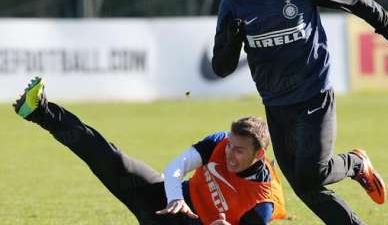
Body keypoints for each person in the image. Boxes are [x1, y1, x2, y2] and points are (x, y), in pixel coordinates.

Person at [211, 0, 388, 225]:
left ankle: (355, 163)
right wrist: (230, 37)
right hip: (276, 103)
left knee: (312, 174)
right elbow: (221, 68)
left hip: (313, 93)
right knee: (305, 186)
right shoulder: (233, 2)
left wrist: (386, 25)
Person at [12, 77, 287, 225]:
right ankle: (40, 111)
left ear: (258, 155)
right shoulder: (219, 142)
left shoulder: (261, 204)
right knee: (111, 158)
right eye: (230, 146)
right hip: (167, 198)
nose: (229, 154)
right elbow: (176, 166)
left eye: (239, 151)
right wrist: (175, 197)